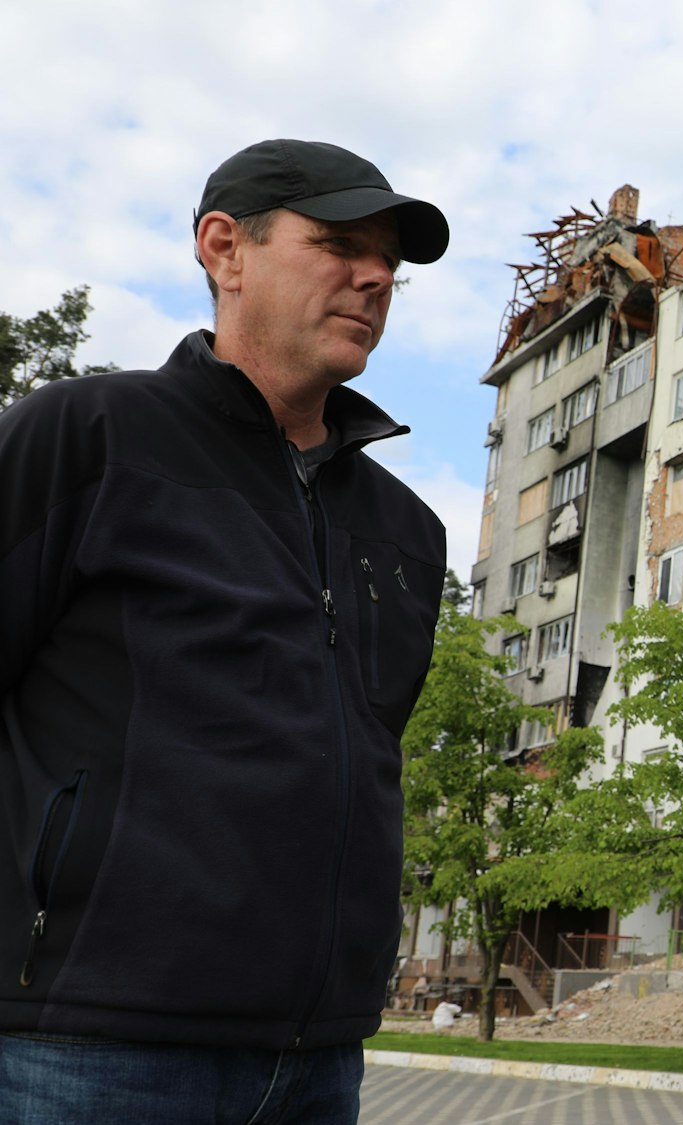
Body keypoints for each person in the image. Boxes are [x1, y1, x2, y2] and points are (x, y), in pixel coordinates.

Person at [0, 139, 451, 1122]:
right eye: (338, 243)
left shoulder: (408, 532)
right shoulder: (82, 440)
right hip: (89, 1046)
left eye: (389, 264)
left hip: (318, 1058)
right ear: (223, 249)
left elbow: (366, 761)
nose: (375, 276)